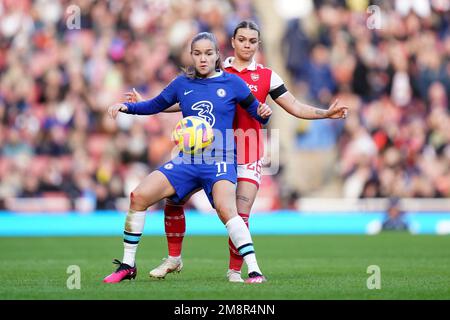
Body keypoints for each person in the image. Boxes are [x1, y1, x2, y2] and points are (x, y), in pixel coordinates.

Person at [130, 21, 349, 283]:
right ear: (232, 42)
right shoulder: (217, 69)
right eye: (242, 39)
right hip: (208, 152)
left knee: (239, 214)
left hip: (247, 151)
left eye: (252, 41)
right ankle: (174, 258)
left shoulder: (268, 76)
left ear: (258, 44)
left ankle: (235, 271)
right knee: (173, 201)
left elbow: (294, 106)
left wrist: (324, 113)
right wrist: (146, 106)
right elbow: (187, 101)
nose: (247, 44)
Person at [103, 32, 273, 284]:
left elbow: (258, 114)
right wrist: (127, 108)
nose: (202, 58)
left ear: (217, 55)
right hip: (188, 159)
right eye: (197, 53)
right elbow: (155, 105)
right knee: (138, 196)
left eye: (208, 53)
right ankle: (128, 265)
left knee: (228, 210)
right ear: (191, 56)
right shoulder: (182, 83)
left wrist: (264, 112)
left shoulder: (233, 83)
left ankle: (255, 270)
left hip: (220, 158)